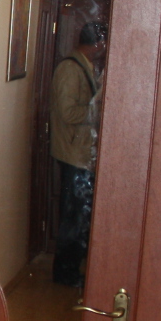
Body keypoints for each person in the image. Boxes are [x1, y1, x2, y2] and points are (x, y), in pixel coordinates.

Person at [50, 20, 106, 286]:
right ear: (97, 43)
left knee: (79, 216)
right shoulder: (70, 69)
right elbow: (68, 112)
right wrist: (99, 112)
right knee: (73, 218)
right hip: (73, 154)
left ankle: (72, 270)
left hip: (81, 153)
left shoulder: (85, 65)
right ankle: (66, 274)